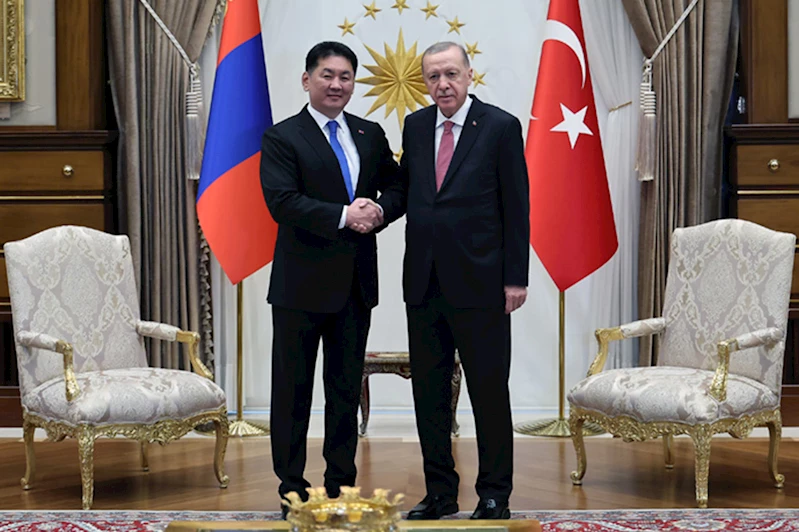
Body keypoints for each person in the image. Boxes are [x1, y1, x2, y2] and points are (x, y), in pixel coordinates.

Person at [259, 41, 404, 517]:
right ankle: (292, 490)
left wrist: (378, 210)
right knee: (293, 393)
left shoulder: (369, 133)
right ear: (307, 80)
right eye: (327, 75)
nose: (336, 84)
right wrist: (345, 215)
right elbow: (282, 202)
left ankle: (341, 487)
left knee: (344, 392)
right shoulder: (283, 137)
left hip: (354, 287)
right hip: (300, 287)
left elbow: (399, 185)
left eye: (345, 76)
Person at [399, 42, 530, 520]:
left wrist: (515, 278)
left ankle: (494, 494)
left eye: (451, 74)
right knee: (429, 397)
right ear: (424, 81)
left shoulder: (500, 126)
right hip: (424, 284)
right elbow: (409, 192)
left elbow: (517, 206)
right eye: (433, 76)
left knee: (489, 394)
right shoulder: (415, 126)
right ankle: (440, 493)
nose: (443, 84)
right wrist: (366, 212)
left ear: (470, 75)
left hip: (483, 284)